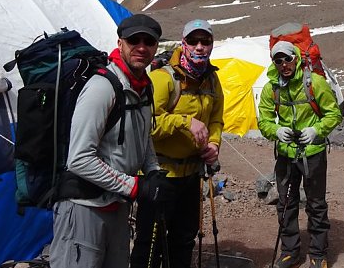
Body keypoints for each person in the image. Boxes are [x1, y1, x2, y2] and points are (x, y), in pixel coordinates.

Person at [51, 14, 166, 268]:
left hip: (116, 204)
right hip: (84, 207)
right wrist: (133, 187)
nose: (142, 47)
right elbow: (79, 158)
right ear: (120, 42)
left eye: (149, 41)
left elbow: (143, 135)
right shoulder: (102, 87)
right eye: (134, 40)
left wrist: (153, 171)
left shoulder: (144, 87)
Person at [130, 19, 224, 268]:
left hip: (191, 175)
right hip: (160, 175)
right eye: (193, 41)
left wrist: (214, 145)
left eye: (205, 41)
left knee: (184, 240)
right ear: (184, 43)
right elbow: (147, 126)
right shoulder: (163, 79)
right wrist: (184, 122)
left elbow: (216, 119)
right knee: (150, 245)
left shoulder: (212, 81)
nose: (200, 47)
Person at [257, 41, 342, 268]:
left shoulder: (315, 83)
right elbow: (263, 120)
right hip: (285, 154)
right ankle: (290, 252)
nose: (284, 64)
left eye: (287, 58)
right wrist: (276, 130)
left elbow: (333, 114)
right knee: (285, 203)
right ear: (274, 62)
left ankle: (318, 254)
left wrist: (316, 130)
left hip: (313, 152)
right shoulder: (271, 88)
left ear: (296, 58)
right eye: (278, 60)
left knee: (315, 203)